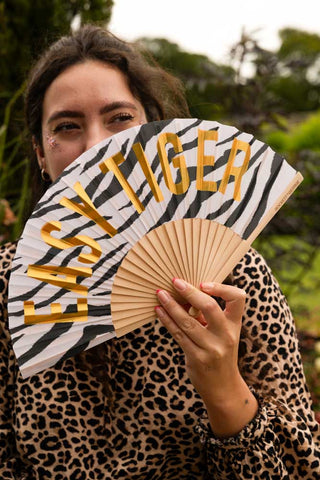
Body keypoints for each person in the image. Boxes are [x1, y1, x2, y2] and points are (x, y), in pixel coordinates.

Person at [0, 24, 319, 480]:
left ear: (157, 135)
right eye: (67, 126)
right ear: (40, 154)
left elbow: (299, 472)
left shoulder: (235, 277)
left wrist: (225, 390)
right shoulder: (10, 286)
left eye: (119, 119)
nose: (96, 146)